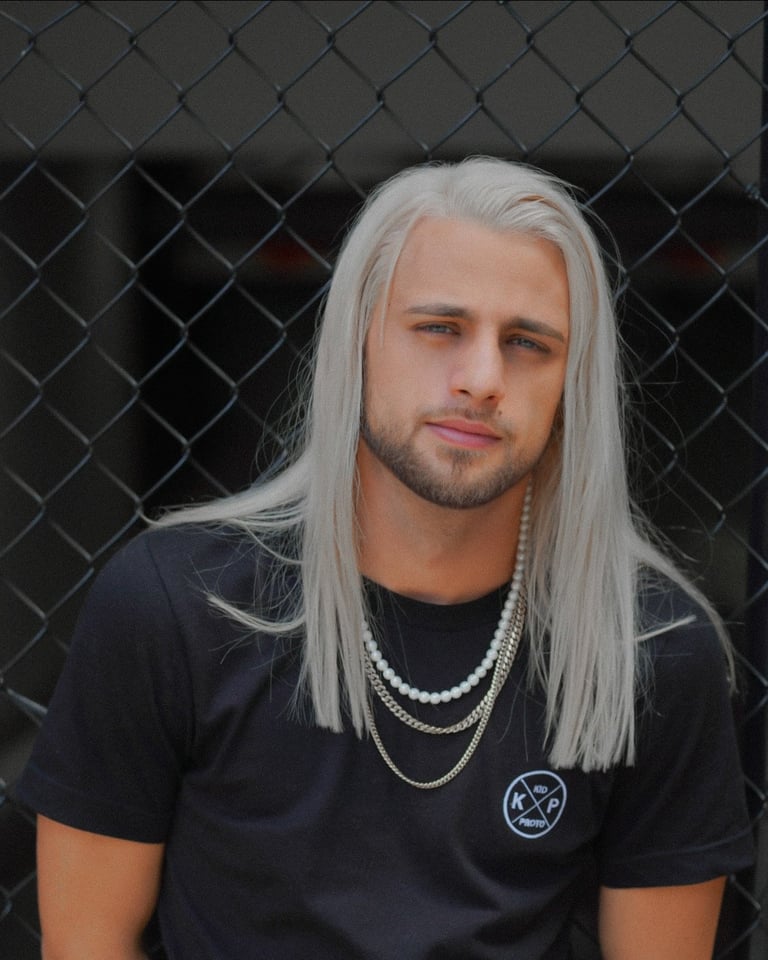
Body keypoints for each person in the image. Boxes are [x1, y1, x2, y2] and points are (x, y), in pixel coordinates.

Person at [18, 157, 753, 960]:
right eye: (440, 328)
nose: (481, 379)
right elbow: (87, 942)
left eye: (527, 343)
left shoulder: (647, 649)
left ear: (573, 381)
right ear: (358, 339)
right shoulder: (175, 604)